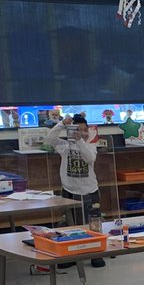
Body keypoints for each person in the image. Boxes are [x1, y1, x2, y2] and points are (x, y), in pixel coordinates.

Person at [46, 112, 105, 268]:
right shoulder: (64, 147)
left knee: (94, 224)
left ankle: (96, 254)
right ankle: (71, 254)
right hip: (69, 190)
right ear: (70, 131)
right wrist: (61, 124)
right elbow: (50, 138)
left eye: (84, 130)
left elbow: (90, 158)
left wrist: (80, 141)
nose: (81, 133)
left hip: (90, 191)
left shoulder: (91, 145)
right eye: (76, 130)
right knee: (71, 224)